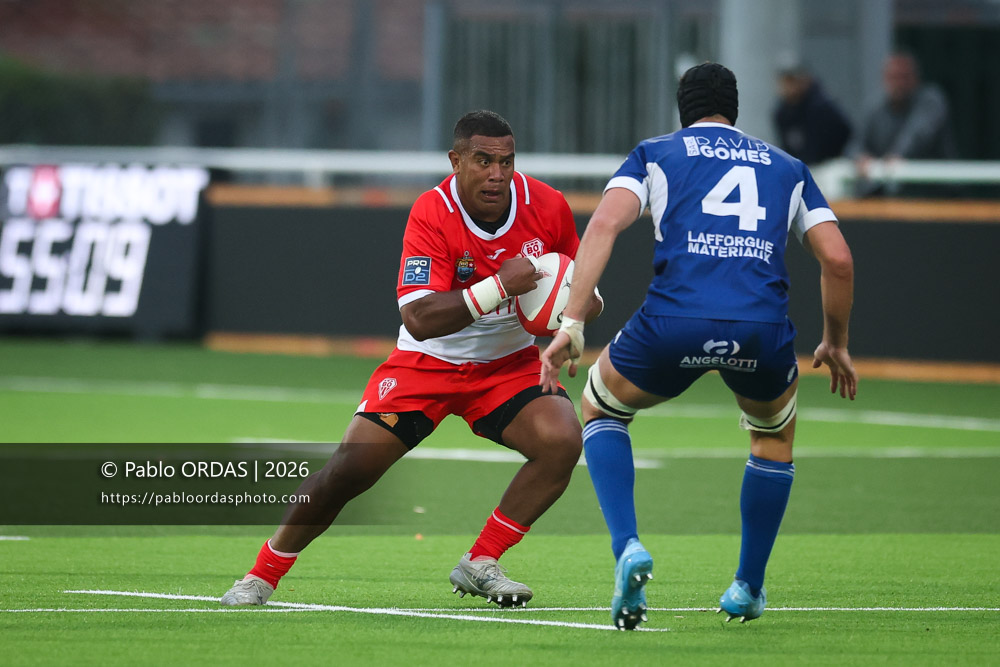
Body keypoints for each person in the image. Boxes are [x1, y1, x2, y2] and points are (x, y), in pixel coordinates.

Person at [221, 110, 602, 608]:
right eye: (483, 161)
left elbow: (583, 288)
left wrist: (574, 319)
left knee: (562, 440)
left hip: (508, 366)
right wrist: (499, 287)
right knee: (348, 472)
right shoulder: (433, 211)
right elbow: (420, 315)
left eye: (506, 162)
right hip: (427, 364)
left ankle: (481, 561)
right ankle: (261, 576)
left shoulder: (546, 206)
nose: (497, 174)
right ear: (455, 160)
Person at [540, 63, 857, 630]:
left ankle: (628, 549)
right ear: (734, 108)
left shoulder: (656, 154)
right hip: (762, 331)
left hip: (674, 322)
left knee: (600, 406)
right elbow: (837, 259)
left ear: (681, 108)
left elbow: (604, 227)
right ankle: (747, 588)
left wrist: (573, 322)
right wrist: (835, 341)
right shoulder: (788, 168)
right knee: (773, 435)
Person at [856, 51, 957, 195]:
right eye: (893, 77)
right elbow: (855, 145)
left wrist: (897, 155)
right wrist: (861, 157)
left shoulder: (931, 100)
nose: (899, 84)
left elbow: (918, 134)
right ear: (884, 79)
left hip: (936, 196)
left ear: (915, 78)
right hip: (893, 199)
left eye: (904, 77)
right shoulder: (876, 108)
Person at [773, 62, 852, 165]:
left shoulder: (822, 106)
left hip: (827, 163)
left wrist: (829, 153)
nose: (789, 87)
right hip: (800, 165)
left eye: (792, 81)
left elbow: (845, 130)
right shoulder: (782, 113)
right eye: (785, 82)